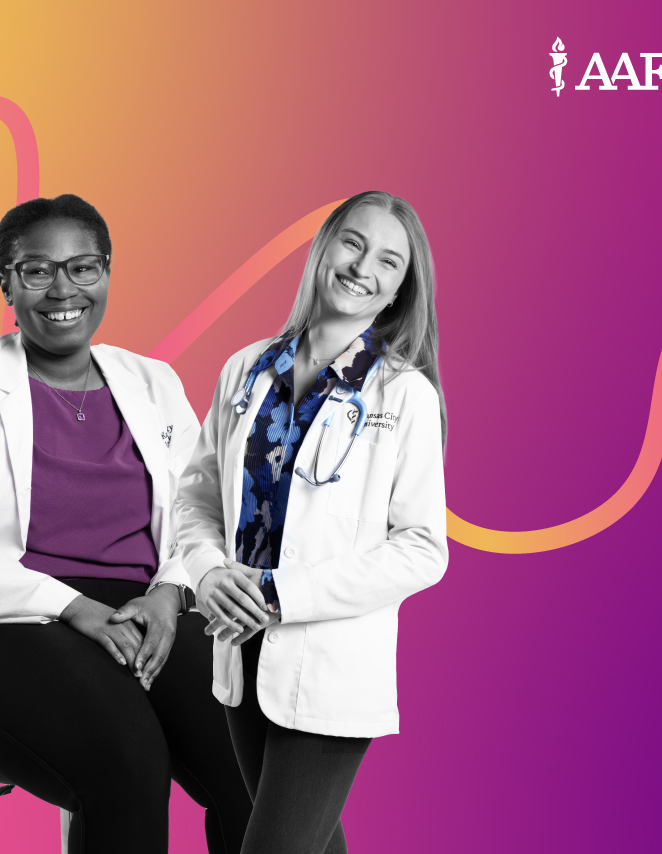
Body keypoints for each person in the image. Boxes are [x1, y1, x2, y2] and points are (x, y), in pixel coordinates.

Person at [0, 194, 252, 853]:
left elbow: (204, 511)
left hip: (148, 606)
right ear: (7, 284)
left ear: (107, 272)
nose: (63, 289)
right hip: (15, 616)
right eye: (37, 270)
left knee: (255, 759)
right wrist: (73, 607)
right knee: (126, 761)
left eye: (84, 267)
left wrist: (167, 594)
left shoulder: (153, 381)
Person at [174, 191, 449, 854]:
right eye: (353, 243)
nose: (363, 267)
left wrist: (280, 595)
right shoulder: (247, 369)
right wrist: (208, 572)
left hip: (328, 661)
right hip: (237, 647)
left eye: (389, 261)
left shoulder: (402, 394)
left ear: (399, 290)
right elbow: (196, 497)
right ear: (324, 246)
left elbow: (421, 550)